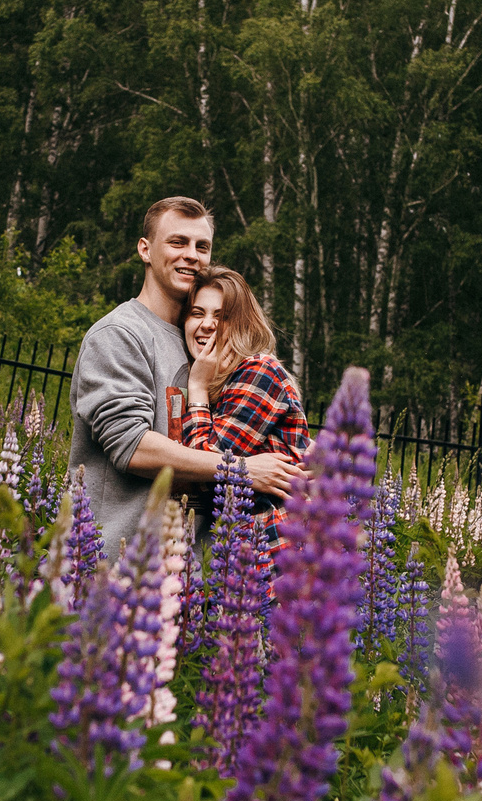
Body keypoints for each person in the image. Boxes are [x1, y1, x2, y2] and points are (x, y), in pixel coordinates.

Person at [68, 197, 305, 555]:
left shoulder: (204, 342)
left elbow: (245, 425)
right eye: (177, 242)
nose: (191, 254)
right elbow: (131, 446)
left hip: (193, 578)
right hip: (115, 566)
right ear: (145, 250)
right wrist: (238, 470)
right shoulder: (119, 334)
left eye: (202, 246)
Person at [179, 265, 308, 513]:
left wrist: (197, 386)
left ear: (243, 325)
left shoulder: (259, 371)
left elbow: (204, 467)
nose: (207, 324)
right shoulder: (224, 380)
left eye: (221, 316)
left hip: (278, 544)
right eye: (197, 313)